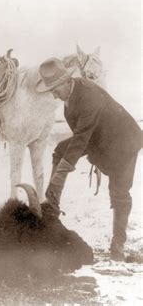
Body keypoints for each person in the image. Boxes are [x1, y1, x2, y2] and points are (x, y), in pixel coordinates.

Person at [36, 57, 141, 261]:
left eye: (56, 89)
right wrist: (58, 178)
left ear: (67, 81)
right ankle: (52, 209)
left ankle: (118, 245)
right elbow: (81, 136)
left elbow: (81, 139)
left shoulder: (89, 96)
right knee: (59, 150)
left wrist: (59, 176)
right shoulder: (70, 95)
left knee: (119, 193)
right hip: (98, 138)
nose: (55, 96)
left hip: (123, 142)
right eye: (51, 91)